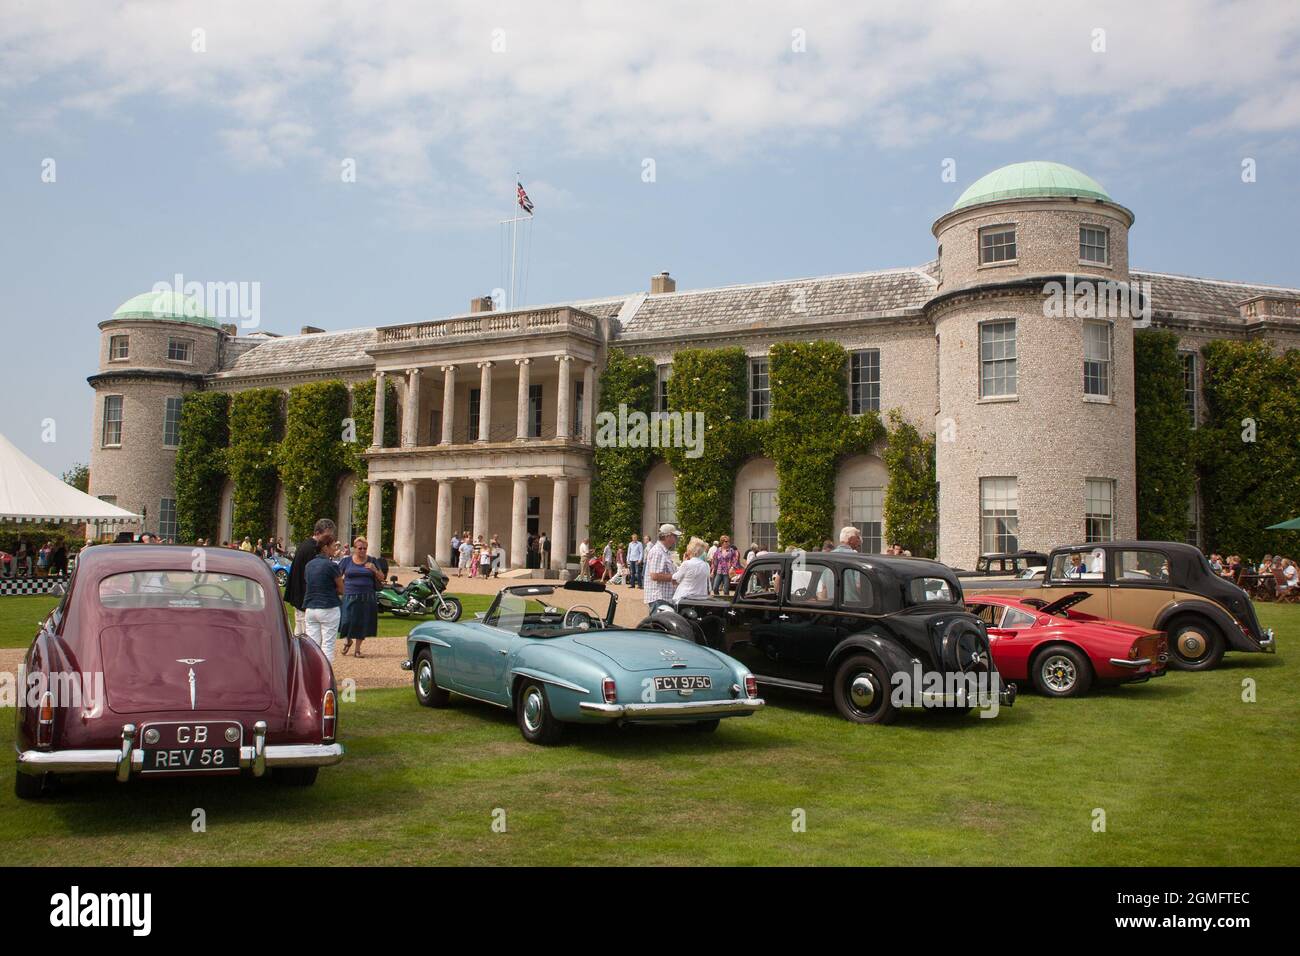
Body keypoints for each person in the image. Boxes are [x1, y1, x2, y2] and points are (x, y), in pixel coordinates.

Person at [285, 519, 337, 638]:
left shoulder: (307, 545)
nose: (328, 541)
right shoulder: (312, 549)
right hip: (304, 597)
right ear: (318, 533)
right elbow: (315, 577)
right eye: (326, 536)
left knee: (301, 630)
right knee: (305, 635)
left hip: (301, 595)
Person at [338, 536, 385, 658]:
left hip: (367, 596)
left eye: (365, 548)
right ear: (354, 548)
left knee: (361, 623)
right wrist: (339, 589)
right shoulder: (346, 561)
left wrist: (374, 570)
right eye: (360, 548)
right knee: (347, 621)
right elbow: (337, 576)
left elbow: (382, 578)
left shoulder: (372, 560)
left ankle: (357, 650)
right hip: (349, 595)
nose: (363, 550)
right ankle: (348, 640)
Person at [303, 542, 344, 661]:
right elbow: (342, 589)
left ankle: (311, 676)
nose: (335, 549)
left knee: (313, 646)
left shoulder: (309, 565)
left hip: (310, 608)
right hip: (328, 607)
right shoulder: (331, 566)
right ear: (325, 548)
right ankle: (325, 677)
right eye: (333, 546)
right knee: (328, 645)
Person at [643, 523, 681, 612]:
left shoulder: (663, 551)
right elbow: (654, 575)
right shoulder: (658, 552)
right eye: (674, 536)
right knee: (660, 625)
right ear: (668, 536)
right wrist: (674, 576)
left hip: (663, 598)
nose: (676, 539)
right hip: (659, 598)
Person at [672, 537, 711, 604]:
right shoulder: (706, 565)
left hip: (685, 597)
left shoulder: (687, 564)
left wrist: (682, 563)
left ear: (690, 550)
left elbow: (675, 578)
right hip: (700, 598)